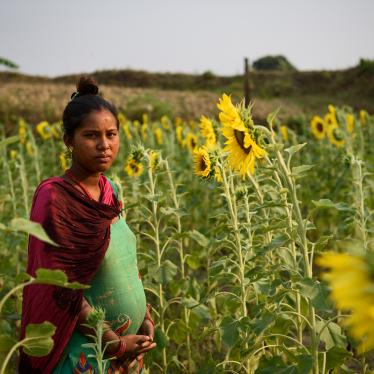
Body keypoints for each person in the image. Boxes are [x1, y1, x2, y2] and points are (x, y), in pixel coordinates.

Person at [19, 76, 156, 373]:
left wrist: (145, 317)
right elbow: (62, 287)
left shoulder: (111, 192)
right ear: (69, 140)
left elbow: (125, 262)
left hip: (128, 351)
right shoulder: (55, 198)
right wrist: (113, 343)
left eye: (112, 134)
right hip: (87, 352)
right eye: (92, 135)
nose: (104, 145)